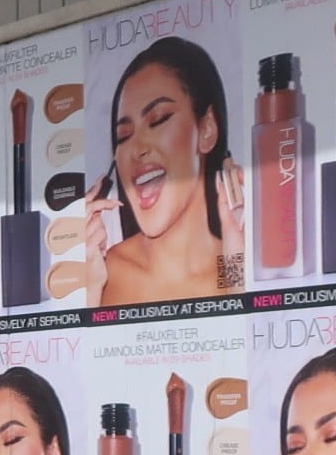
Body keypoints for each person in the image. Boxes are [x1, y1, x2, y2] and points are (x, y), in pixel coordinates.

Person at [84, 36, 246, 306]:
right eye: (123, 136)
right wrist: (88, 288)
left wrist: (237, 265)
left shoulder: (233, 266)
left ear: (206, 130)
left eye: (158, 119)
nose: (137, 148)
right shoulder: (103, 276)